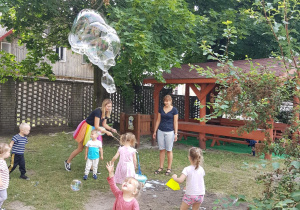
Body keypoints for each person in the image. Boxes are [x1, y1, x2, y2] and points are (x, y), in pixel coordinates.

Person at [64, 99, 117, 171]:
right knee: (80, 149)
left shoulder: (106, 113)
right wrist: (106, 132)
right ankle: (67, 162)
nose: (109, 108)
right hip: (87, 128)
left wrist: (111, 129)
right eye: (108, 106)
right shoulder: (98, 111)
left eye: (110, 107)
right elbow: (97, 126)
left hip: (94, 130)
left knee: (94, 147)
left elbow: (104, 124)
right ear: (104, 105)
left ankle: (91, 168)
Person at [153, 95, 178, 175]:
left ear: (171, 101)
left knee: (169, 150)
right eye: (165, 101)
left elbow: (175, 122)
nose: (166, 102)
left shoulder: (174, 110)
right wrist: (155, 131)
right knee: (161, 149)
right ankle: (160, 167)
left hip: (170, 132)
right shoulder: (161, 109)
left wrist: (176, 133)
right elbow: (158, 120)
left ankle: (169, 168)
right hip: (160, 131)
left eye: (168, 101)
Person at [0, 143, 11, 210]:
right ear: (3, 153)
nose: (9, 153)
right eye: (8, 152)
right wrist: (0, 182)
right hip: (1, 185)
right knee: (4, 197)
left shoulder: (2, 161)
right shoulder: (0, 162)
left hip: (3, 184)